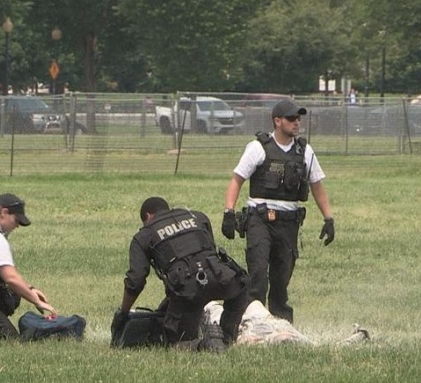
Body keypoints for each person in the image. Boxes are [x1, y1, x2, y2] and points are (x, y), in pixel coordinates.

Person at [222, 99, 334, 323]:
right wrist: (229, 212)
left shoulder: (305, 151)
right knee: (258, 273)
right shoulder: (258, 148)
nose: (297, 122)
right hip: (259, 219)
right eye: (292, 118)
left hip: (289, 222)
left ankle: (281, 324)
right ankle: (251, 322)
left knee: (281, 278)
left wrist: (328, 218)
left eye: (298, 118)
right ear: (277, 121)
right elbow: (237, 180)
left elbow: (317, 185)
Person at [114, 196, 250, 351]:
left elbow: (135, 281)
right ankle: (225, 338)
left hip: (188, 290)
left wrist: (124, 312)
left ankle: (205, 344)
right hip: (222, 277)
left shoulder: (144, 235)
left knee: (174, 343)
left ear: (148, 217)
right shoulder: (198, 217)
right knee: (241, 286)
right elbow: (209, 252)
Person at [0, 193, 56, 338]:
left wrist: (30, 289)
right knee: (10, 337)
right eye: (16, 220)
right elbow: (10, 278)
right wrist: (36, 301)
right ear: (4, 213)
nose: (17, 225)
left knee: (13, 294)